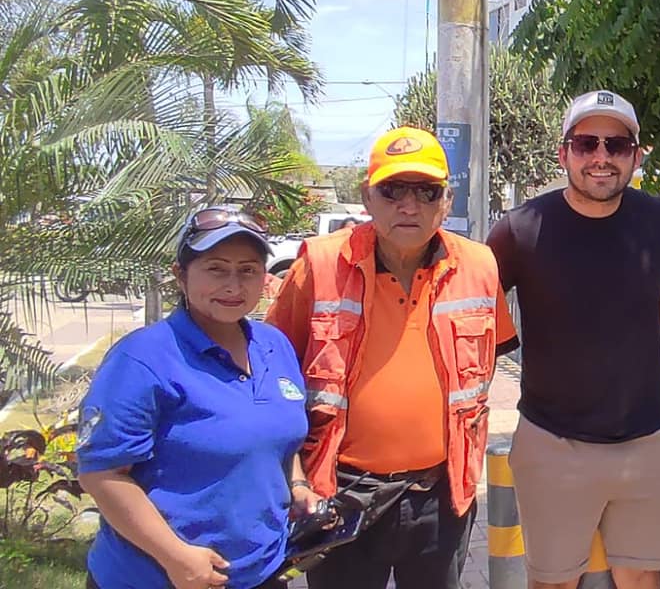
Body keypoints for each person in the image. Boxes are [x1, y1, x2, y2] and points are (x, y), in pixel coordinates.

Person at [265, 126, 519, 589]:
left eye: (426, 191)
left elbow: (487, 363)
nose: (409, 205)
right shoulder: (320, 264)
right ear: (368, 196)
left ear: (447, 200)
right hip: (343, 494)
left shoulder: (479, 265)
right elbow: (271, 372)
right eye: (393, 190)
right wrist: (295, 479)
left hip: (441, 495)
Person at [487, 90, 660, 589]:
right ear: (564, 153)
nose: (601, 157)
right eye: (586, 144)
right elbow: (480, 301)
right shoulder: (520, 229)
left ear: (636, 156)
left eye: (616, 145)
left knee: (640, 577)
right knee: (553, 580)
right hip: (553, 441)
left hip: (647, 438)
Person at [78, 206, 316, 589]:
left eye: (248, 270)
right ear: (180, 274)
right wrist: (176, 557)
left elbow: (280, 440)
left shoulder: (275, 345)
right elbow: (102, 473)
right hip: (157, 577)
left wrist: (298, 486)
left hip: (262, 572)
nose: (233, 286)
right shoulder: (143, 358)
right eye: (216, 269)